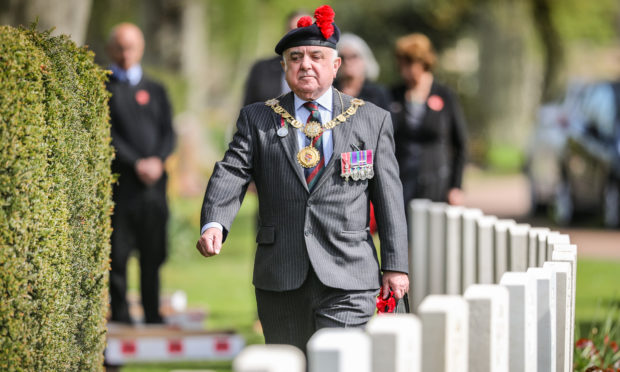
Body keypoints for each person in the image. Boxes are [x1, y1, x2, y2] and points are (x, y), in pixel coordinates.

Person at [196, 5, 409, 351]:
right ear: (284, 67)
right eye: (295, 57)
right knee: (288, 362)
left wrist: (396, 266)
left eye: (316, 56)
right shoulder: (259, 119)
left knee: (337, 362)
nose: (305, 64)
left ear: (335, 65)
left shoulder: (371, 120)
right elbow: (232, 170)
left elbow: (389, 199)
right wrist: (215, 223)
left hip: (349, 275)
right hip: (281, 274)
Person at [106, 23, 175, 324]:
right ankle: (120, 315)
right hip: (122, 187)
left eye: (130, 47)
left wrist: (157, 161)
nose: (125, 54)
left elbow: (168, 132)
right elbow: (108, 135)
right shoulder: (103, 87)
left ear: (141, 48)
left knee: (152, 254)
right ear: (112, 49)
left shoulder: (156, 89)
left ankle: (151, 313)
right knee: (118, 256)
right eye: (120, 47)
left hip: (153, 189)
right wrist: (136, 163)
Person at [390, 33, 467, 208]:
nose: (405, 70)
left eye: (409, 63)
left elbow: (460, 144)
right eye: (402, 64)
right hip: (402, 182)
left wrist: (456, 186)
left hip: (438, 182)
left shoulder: (445, 95)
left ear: (423, 62)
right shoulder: (394, 95)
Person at [242, 10, 311, 106]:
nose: (296, 36)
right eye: (292, 30)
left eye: (304, 31)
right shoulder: (262, 69)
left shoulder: (325, 71)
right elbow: (247, 108)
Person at [334, 33, 391, 111]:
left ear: (364, 60)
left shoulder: (377, 94)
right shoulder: (329, 90)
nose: (347, 62)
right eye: (343, 57)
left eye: (353, 56)